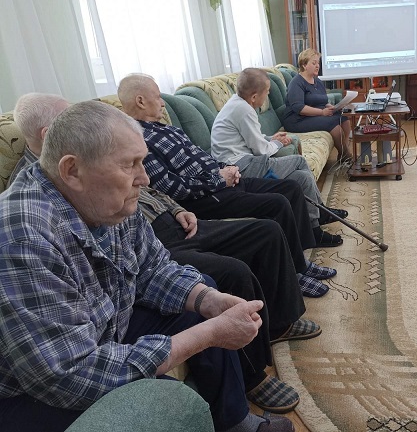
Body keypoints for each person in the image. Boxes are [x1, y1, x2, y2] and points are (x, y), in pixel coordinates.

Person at [9, 93, 319, 412]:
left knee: (203, 296)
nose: (144, 179)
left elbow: (154, 268)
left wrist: (209, 300)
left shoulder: (106, 200)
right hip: (43, 389)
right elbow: (71, 376)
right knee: (171, 402)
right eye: (129, 164)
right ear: (72, 170)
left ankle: (236, 417)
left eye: (141, 162)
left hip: (109, 320)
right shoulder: (23, 236)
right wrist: (210, 334)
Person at [118, 74, 342, 268]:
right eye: (158, 97)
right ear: (141, 101)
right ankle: (301, 264)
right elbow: (170, 187)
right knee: (279, 202)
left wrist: (225, 169)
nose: (162, 103)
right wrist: (219, 180)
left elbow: (202, 156)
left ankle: (304, 251)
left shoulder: (165, 129)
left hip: (224, 178)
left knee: (291, 187)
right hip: (208, 195)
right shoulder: (138, 140)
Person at [210, 67, 348, 238]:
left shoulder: (237, 103)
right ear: (254, 97)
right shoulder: (244, 110)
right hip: (240, 168)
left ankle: (315, 224)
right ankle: (319, 217)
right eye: (267, 91)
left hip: (243, 162)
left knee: (302, 177)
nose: (268, 95)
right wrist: (277, 143)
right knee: (299, 161)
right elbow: (261, 150)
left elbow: (250, 138)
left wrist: (270, 138)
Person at [282, 49, 352, 160]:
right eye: (313, 63)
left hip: (312, 116)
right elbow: (299, 108)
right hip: (297, 120)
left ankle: (344, 151)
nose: (317, 66)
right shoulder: (296, 83)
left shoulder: (317, 81)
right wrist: (322, 112)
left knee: (344, 119)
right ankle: (346, 155)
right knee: (333, 125)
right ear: (304, 65)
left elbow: (322, 101)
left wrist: (331, 107)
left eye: (318, 63)